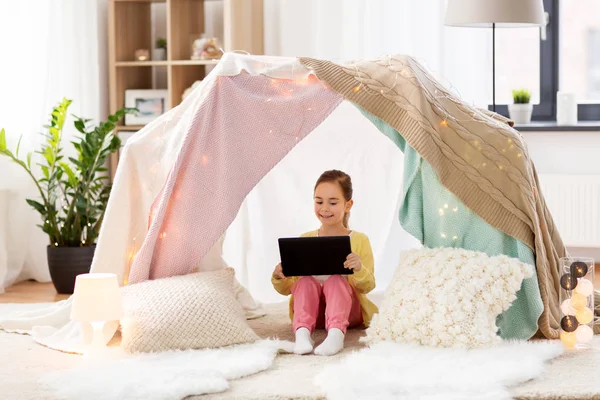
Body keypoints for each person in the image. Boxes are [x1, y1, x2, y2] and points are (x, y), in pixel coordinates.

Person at [271, 170, 378, 356]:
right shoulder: (305, 239)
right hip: (315, 314)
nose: (324, 208)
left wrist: (358, 268)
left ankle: (336, 334)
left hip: (347, 311)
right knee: (304, 282)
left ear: (348, 205)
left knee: (336, 279)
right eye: (319, 201)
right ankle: (303, 333)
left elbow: (367, 286)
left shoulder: (360, 240)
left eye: (333, 202)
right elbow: (288, 288)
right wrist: (280, 275)